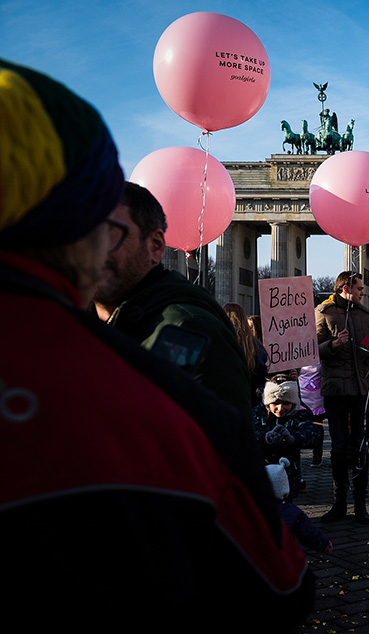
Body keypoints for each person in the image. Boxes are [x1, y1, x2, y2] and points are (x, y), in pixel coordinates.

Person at [0, 58, 313, 630]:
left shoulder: (168, 328)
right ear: (82, 228)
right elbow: (278, 584)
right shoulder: (151, 405)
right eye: (106, 227)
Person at [93, 181, 253, 420]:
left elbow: (224, 449)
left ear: (155, 246)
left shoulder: (192, 330)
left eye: (108, 234)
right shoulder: (62, 326)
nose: (88, 250)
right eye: (78, 235)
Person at [315, 271, 369, 524]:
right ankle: (339, 503)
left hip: (362, 388)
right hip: (336, 390)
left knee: (360, 446)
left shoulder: (365, 314)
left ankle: (360, 505)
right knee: (339, 447)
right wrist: (332, 345)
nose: (363, 292)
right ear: (346, 288)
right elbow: (310, 348)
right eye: (359, 288)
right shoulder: (324, 312)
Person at [254, 378, 319, 501]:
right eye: (275, 403)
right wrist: (265, 438)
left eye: (286, 403)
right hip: (262, 470)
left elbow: (313, 434)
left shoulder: (300, 415)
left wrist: (293, 439)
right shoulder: (258, 413)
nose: (280, 408)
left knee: (287, 505)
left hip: (289, 474)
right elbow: (249, 434)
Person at [266, 458, 333, 555]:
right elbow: (308, 533)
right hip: (284, 554)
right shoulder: (290, 511)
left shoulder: (253, 507)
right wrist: (323, 544)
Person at [224, 302, 268, 403]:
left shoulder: (221, 340)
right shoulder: (254, 345)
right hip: (248, 398)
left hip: (225, 397)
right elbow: (262, 369)